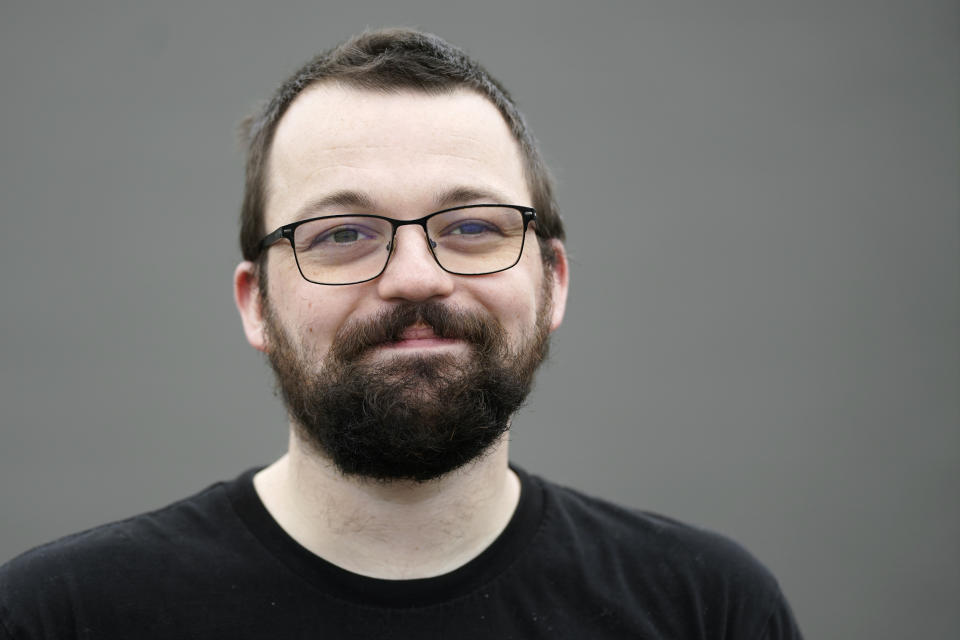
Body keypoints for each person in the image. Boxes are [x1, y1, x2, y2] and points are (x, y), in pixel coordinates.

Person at [0, 28, 802, 639]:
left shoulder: (707, 609)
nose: (416, 276)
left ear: (553, 281)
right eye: (343, 234)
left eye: (474, 226)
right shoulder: (57, 617)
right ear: (255, 303)